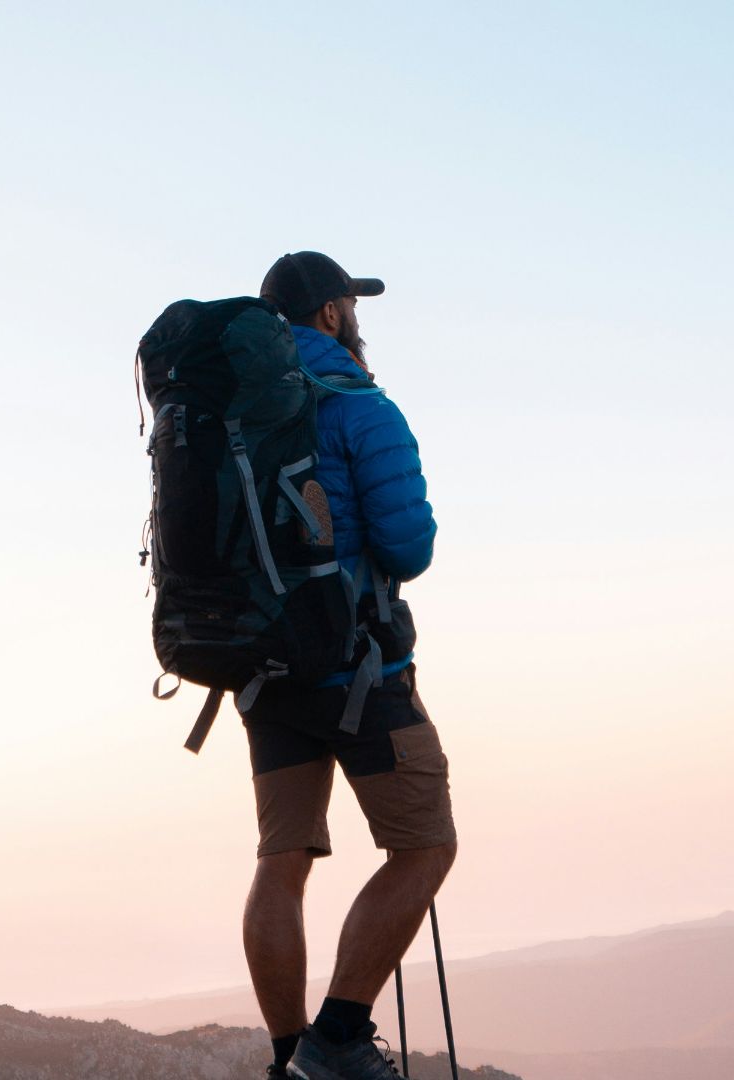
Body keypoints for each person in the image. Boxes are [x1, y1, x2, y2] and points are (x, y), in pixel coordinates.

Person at [243, 251, 458, 1080]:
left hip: (263, 673)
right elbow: (408, 545)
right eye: (348, 303)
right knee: (425, 845)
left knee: (281, 858)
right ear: (331, 315)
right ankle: (337, 1039)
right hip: (358, 667)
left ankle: (289, 1055)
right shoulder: (361, 408)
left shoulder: (239, 412)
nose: (355, 315)